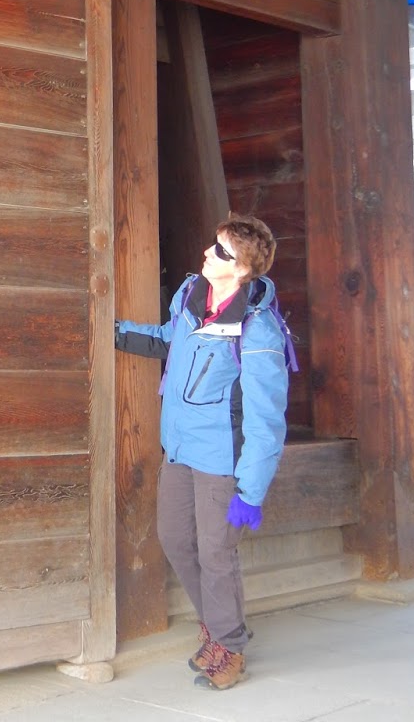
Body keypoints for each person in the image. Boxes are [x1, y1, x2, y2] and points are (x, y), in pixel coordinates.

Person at [115, 213, 291, 691]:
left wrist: (250, 491)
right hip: (179, 448)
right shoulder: (191, 296)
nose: (209, 254)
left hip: (221, 461)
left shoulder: (258, 332)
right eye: (215, 244)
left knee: (216, 551)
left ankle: (229, 647)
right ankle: (219, 625)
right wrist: (117, 332)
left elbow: (266, 419)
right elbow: (170, 342)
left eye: (222, 252)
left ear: (243, 270)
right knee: (174, 538)